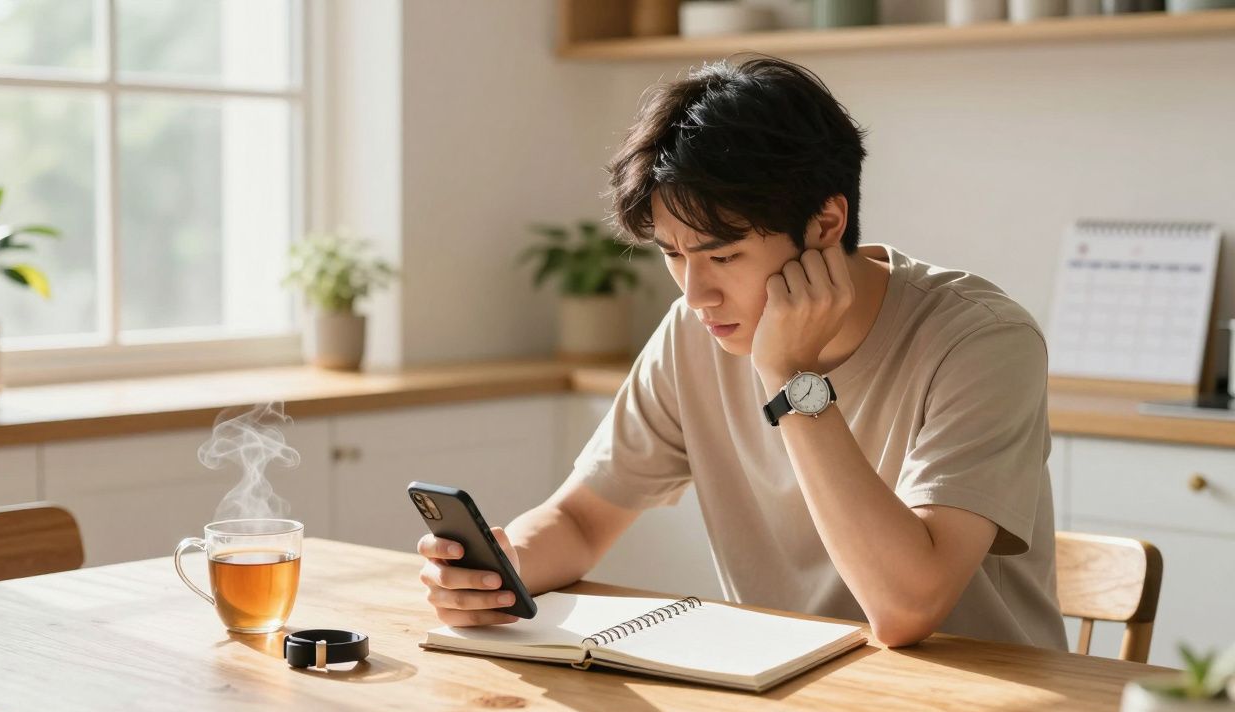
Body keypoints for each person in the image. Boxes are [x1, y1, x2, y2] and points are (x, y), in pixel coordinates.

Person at [417, 56, 1067, 650]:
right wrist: (501, 568)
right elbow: (581, 523)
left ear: (825, 225)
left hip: (983, 708)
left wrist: (791, 376)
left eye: (723, 256)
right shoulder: (693, 333)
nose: (696, 293)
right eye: (673, 254)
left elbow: (905, 609)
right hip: (785, 697)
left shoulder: (982, 341)